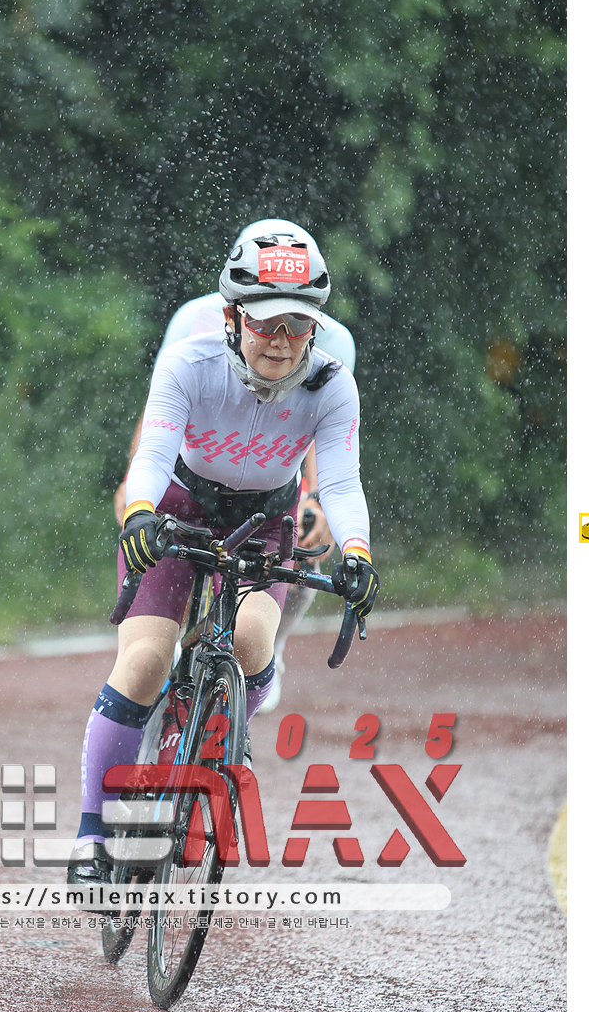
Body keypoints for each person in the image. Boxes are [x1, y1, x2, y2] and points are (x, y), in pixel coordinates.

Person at [68, 219, 379, 884]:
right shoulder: (191, 359)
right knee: (145, 660)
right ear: (234, 316)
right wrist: (140, 512)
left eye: (299, 324)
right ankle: (93, 837)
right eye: (267, 323)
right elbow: (152, 453)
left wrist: (357, 551)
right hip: (179, 507)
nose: (282, 340)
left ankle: (224, 719)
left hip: (266, 519)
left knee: (252, 642)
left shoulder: (331, 381)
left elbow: (341, 482)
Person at [111, 288, 357, 712]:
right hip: (194, 474)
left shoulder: (335, 343)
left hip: (272, 479)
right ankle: (173, 645)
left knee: (307, 545)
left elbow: (321, 430)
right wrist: (133, 483)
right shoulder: (192, 318)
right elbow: (161, 407)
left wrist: (315, 499)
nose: (280, 336)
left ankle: (271, 646)